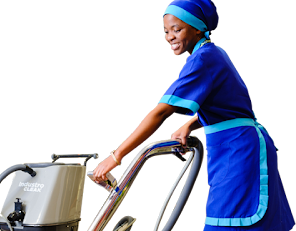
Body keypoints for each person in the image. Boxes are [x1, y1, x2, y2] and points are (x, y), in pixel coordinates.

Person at [93, 0, 295, 230]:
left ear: (197, 28)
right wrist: (191, 123)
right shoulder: (208, 55)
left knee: (230, 222)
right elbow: (229, 104)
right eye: (166, 31)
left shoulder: (203, 59)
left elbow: (160, 114)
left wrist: (117, 157)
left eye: (177, 29)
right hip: (235, 147)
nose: (170, 37)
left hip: (240, 152)